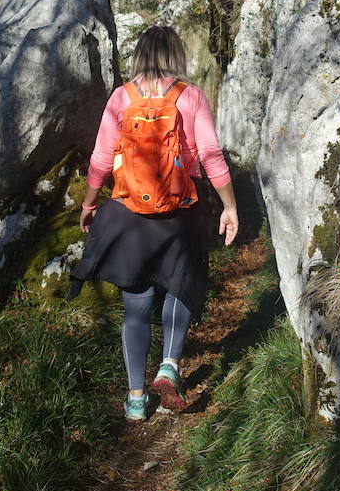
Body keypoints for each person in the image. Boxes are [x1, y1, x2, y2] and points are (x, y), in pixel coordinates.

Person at [71, 26, 239, 422]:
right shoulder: (190, 95)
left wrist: (89, 202)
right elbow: (211, 155)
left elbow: (99, 157)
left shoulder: (121, 97)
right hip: (180, 212)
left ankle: (134, 399)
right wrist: (230, 206)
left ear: (139, 55)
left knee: (137, 303)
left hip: (129, 212)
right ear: (176, 54)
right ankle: (169, 366)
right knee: (179, 285)